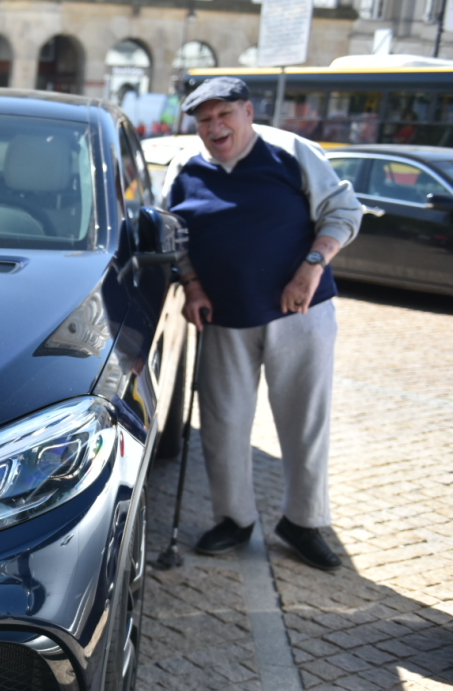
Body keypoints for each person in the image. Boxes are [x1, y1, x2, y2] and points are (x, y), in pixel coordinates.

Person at [160, 77, 362, 571]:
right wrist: (193, 285)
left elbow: (343, 211)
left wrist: (311, 266)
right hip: (223, 318)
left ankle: (303, 521)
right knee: (223, 424)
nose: (215, 127)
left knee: (303, 421)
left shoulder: (292, 151)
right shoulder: (184, 168)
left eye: (224, 114)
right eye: (204, 119)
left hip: (300, 312)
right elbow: (173, 234)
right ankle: (235, 518)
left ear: (248, 112)